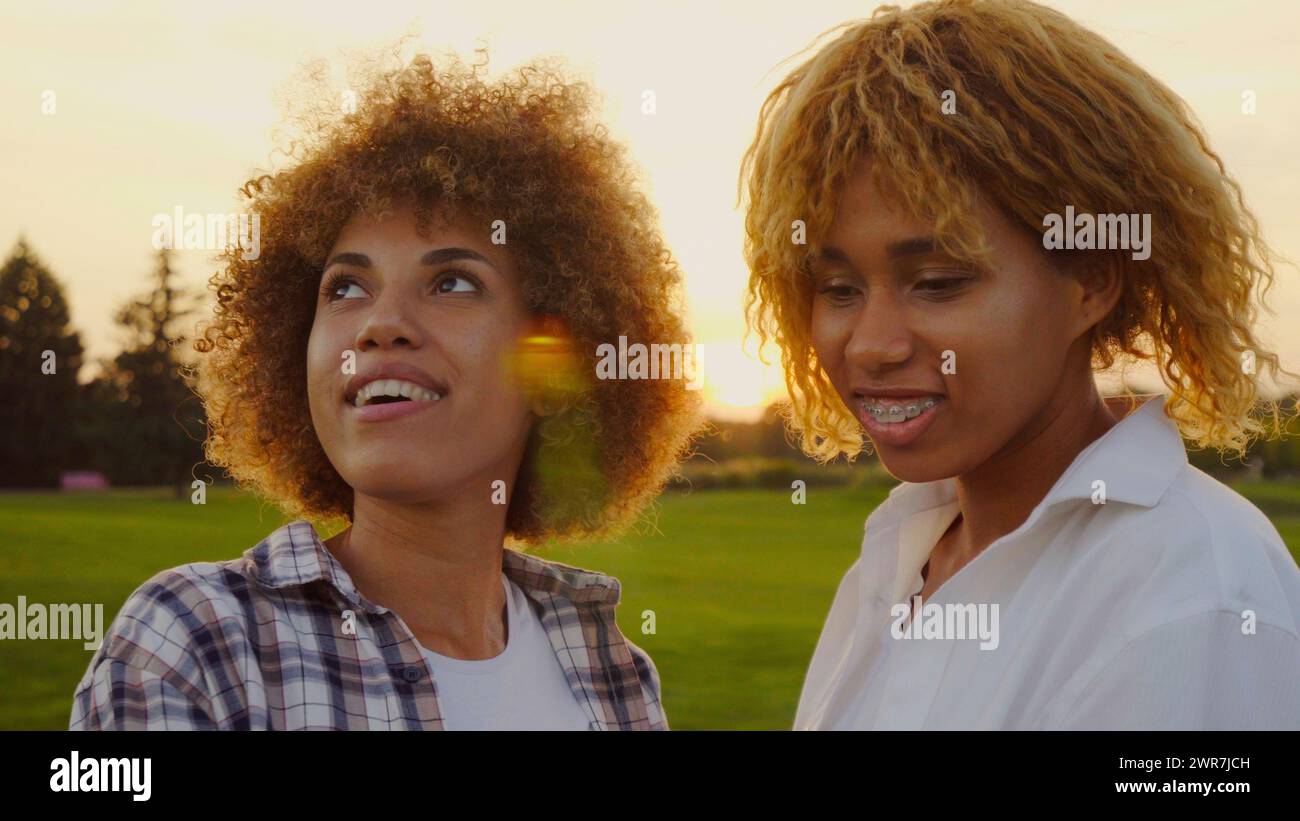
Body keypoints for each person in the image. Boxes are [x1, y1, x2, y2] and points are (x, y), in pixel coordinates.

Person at [71, 51, 700, 730]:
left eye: (452, 282)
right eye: (345, 286)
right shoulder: (196, 645)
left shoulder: (614, 672)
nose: (380, 325)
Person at [739, 0, 1300, 729]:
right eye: (837, 288)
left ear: (1092, 278)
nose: (871, 344)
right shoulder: (900, 553)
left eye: (938, 282)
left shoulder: (1194, 592)